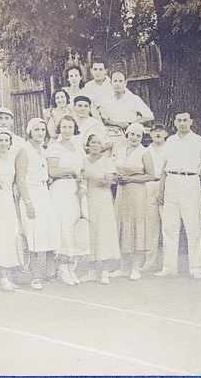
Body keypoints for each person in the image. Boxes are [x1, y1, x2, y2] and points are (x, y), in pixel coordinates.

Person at [155, 112, 201, 279]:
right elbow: (164, 166)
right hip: (171, 182)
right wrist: (161, 190)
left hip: (190, 182)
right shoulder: (170, 141)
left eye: (185, 120)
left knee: (193, 227)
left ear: (191, 121)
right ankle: (169, 267)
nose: (182, 123)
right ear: (175, 122)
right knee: (169, 227)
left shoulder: (200, 141)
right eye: (179, 120)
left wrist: (197, 176)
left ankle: (196, 268)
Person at [15, 118, 59, 290]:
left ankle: (50, 273)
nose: (40, 133)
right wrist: (28, 203)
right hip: (30, 194)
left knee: (48, 232)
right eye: (36, 130)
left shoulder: (43, 150)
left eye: (42, 130)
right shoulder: (24, 151)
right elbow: (20, 179)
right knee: (33, 235)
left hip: (43, 193)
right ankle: (35, 277)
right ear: (29, 132)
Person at [46, 115, 88, 285]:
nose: (67, 131)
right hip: (60, 190)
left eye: (70, 127)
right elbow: (52, 171)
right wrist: (71, 169)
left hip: (76, 191)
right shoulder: (53, 148)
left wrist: (83, 186)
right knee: (63, 228)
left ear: (74, 129)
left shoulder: (79, 149)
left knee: (74, 228)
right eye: (64, 127)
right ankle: (62, 268)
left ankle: (71, 267)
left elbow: (84, 171)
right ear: (59, 129)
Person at [111, 123, 155, 280]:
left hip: (137, 193)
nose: (134, 138)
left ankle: (136, 268)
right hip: (122, 192)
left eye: (138, 135)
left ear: (142, 138)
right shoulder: (120, 150)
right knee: (123, 227)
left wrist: (130, 178)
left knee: (137, 228)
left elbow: (150, 175)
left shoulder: (144, 152)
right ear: (127, 135)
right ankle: (123, 267)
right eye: (132, 134)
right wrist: (116, 177)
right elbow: (113, 168)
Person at [79, 134, 121, 285]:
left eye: (98, 142)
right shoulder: (83, 161)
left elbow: (107, 182)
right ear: (88, 145)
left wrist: (90, 175)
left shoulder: (107, 161)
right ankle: (91, 272)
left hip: (103, 201)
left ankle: (104, 273)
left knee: (104, 235)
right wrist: (82, 188)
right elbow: (83, 181)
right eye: (93, 142)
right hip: (88, 200)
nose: (95, 145)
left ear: (102, 146)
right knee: (91, 235)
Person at [0, 129, 22, 292]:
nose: (3, 143)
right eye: (0, 140)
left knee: (11, 237)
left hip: (10, 199)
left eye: (6, 140)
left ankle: (7, 276)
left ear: (10, 143)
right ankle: (1, 278)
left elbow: (16, 177)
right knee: (0, 238)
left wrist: (15, 185)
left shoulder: (13, 157)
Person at [142, 123, 168, 271]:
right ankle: (149, 261)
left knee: (167, 225)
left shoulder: (170, 149)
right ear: (150, 134)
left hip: (165, 186)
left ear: (166, 133)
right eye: (155, 131)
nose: (158, 134)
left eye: (161, 131)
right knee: (151, 226)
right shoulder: (145, 151)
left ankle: (167, 262)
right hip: (150, 185)